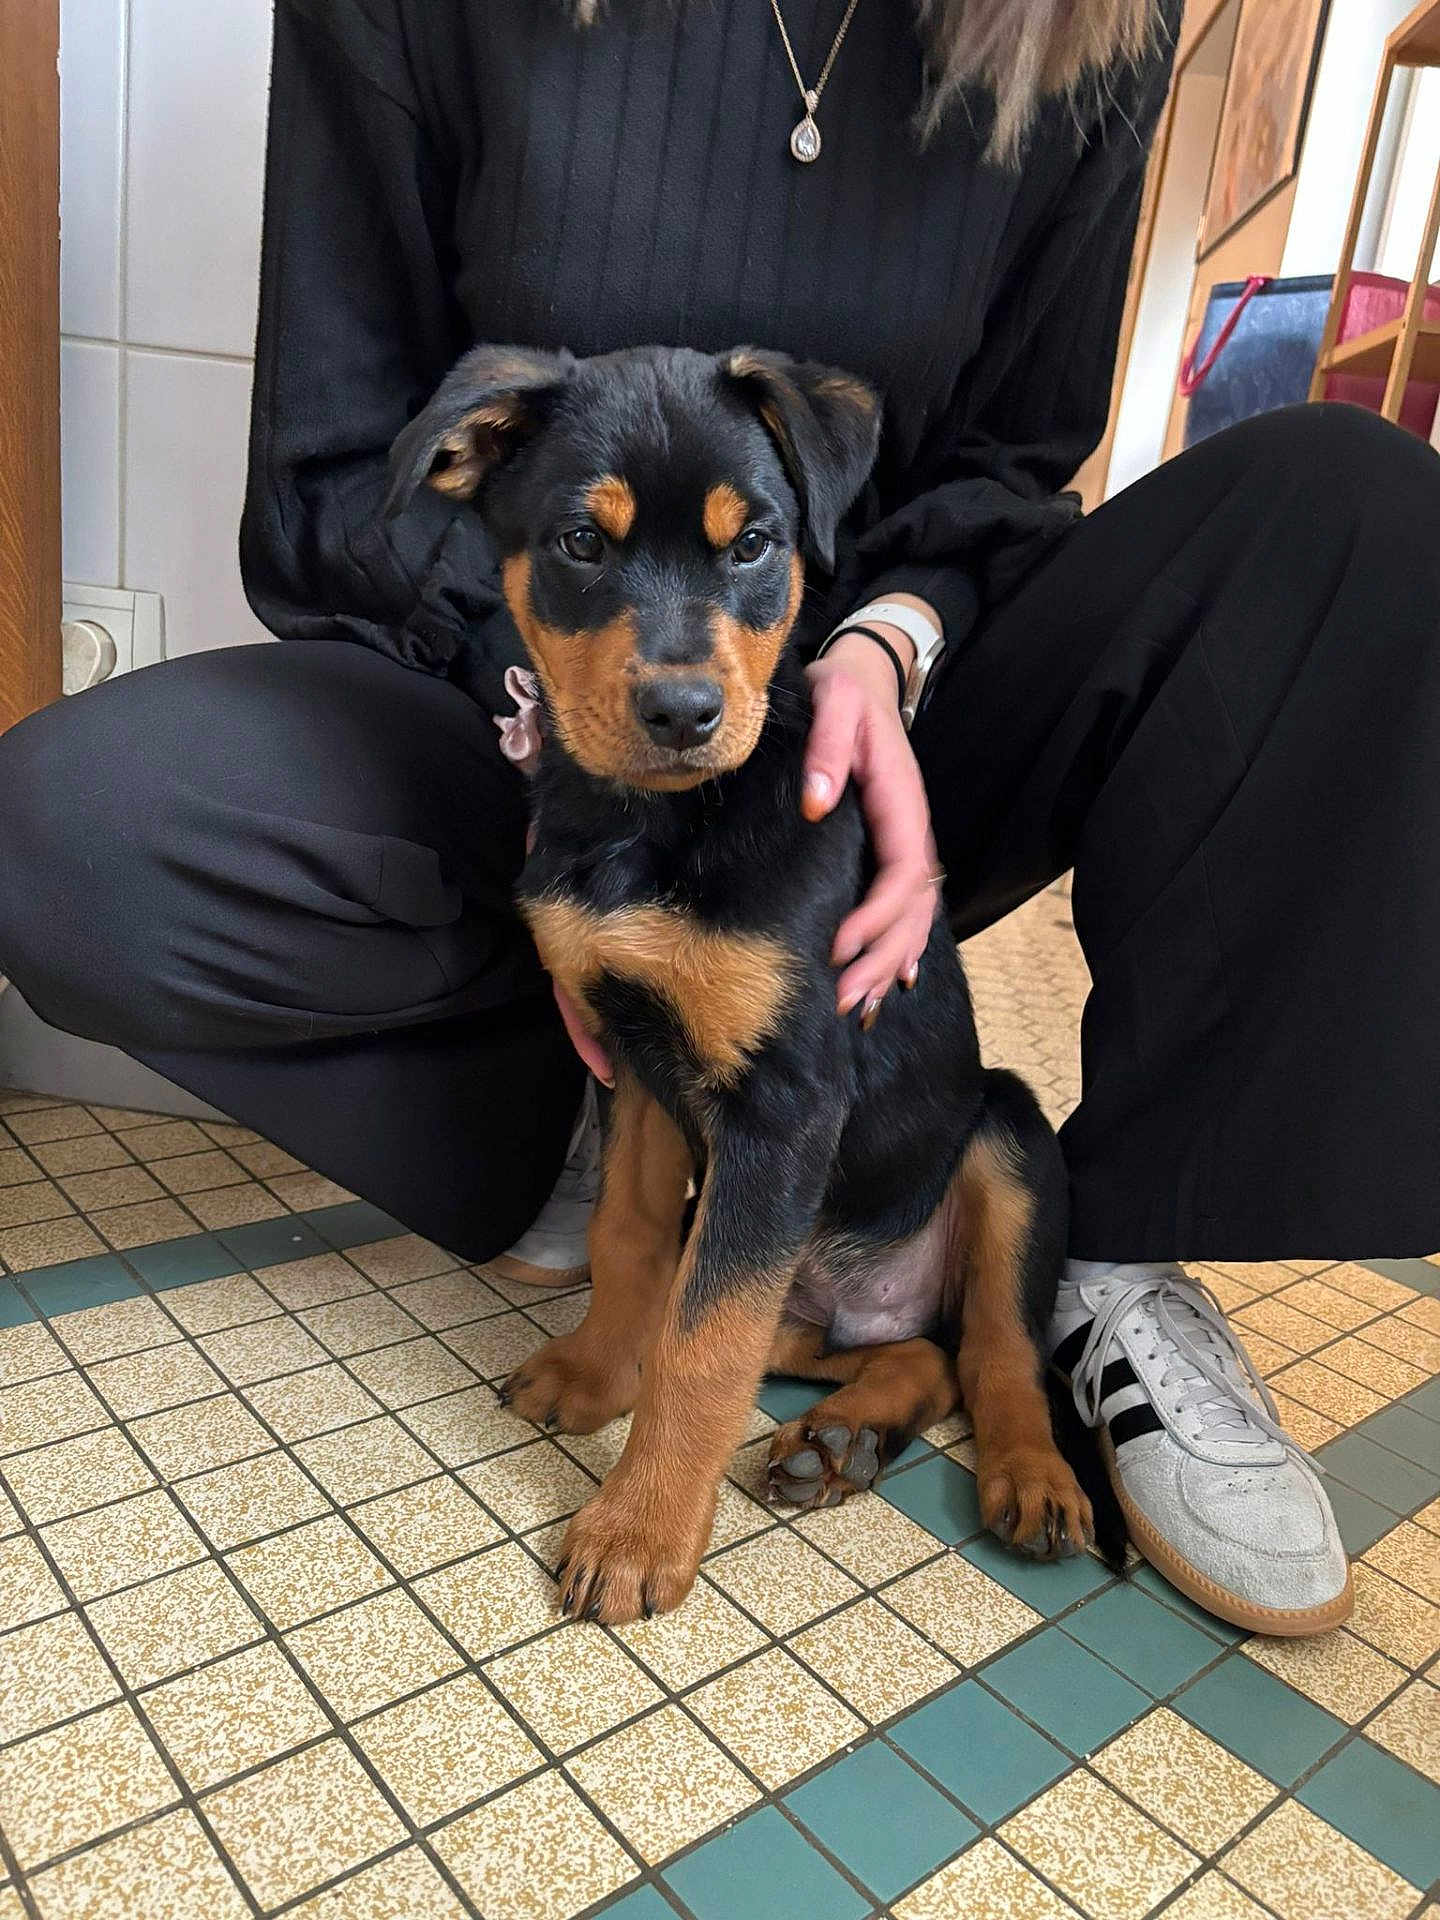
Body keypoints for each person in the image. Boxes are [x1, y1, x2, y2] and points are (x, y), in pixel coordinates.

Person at [3, 0, 1436, 1633]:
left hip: (866, 701)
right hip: (510, 695)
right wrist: (545, 694)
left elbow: (1015, 457)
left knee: (1363, 505)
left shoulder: (1089, 25)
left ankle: (1086, 1276)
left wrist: (886, 642)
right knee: (64, 835)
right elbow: (334, 484)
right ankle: (587, 1121)